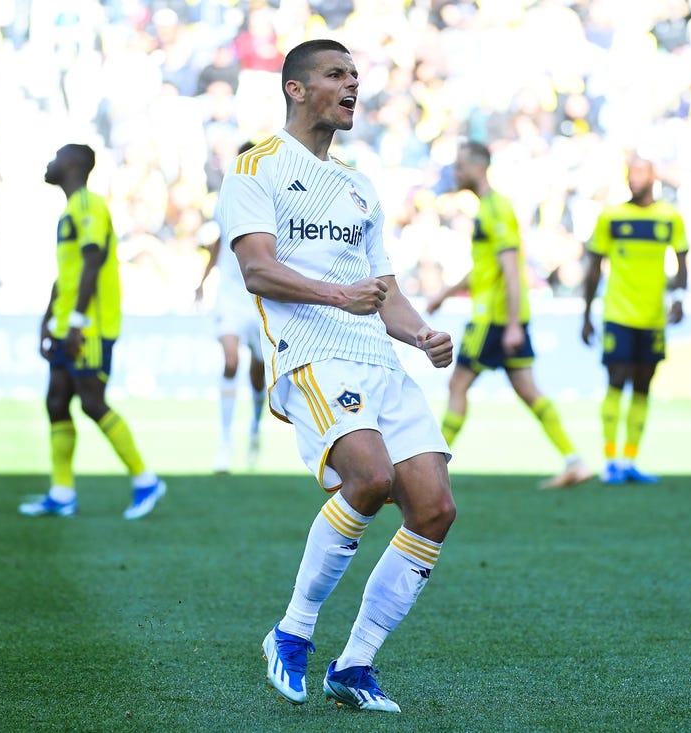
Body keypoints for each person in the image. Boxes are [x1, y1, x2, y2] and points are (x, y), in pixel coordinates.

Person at [217, 39, 456, 713]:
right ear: (296, 88)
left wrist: (420, 334)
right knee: (371, 478)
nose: (353, 84)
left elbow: (383, 290)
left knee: (435, 506)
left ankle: (354, 665)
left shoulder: (359, 186)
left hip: (380, 359)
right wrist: (336, 297)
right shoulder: (256, 167)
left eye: (355, 74)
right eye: (336, 74)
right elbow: (257, 269)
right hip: (313, 350)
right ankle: (291, 634)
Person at [426, 140, 593, 490]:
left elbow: (512, 270)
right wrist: (444, 293)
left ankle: (433, 468)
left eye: (460, 167)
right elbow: (487, 268)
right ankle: (574, 461)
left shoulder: (495, 209)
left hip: (494, 319)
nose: (456, 174)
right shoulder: (489, 208)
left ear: (477, 167)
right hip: (504, 317)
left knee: (458, 384)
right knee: (528, 391)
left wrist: (513, 324)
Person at [19, 144, 167, 520]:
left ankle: (145, 480)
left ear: (71, 164)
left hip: (90, 326)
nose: (49, 162)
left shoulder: (88, 205)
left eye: (55, 156)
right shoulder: (70, 209)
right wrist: (47, 320)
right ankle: (62, 492)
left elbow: (93, 262)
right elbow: (66, 275)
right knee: (56, 401)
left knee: (91, 401)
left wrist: (77, 324)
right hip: (67, 323)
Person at [581, 156, 688, 484]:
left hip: (653, 318)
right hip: (618, 314)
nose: (633, 179)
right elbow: (594, 266)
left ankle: (630, 459)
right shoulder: (611, 216)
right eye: (629, 174)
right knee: (617, 379)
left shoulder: (670, 217)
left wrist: (679, 300)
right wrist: (586, 313)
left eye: (639, 173)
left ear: (654, 175)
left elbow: (682, 261)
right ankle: (610, 459)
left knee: (643, 386)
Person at [195, 141, 267, 475]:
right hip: (230, 295)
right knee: (231, 359)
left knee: (259, 371)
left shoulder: (274, 199)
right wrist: (202, 281)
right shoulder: (227, 199)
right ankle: (224, 444)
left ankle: (254, 427)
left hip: (262, 296)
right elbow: (219, 243)